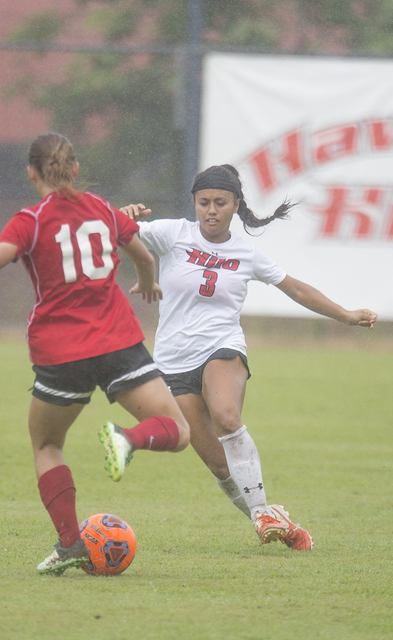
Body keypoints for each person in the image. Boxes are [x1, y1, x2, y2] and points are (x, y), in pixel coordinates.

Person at [120, 164, 378, 551]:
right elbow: (108, 235)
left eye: (220, 203)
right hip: (172, 363)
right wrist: (120, 218)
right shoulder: (173, 233)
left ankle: (264, 514)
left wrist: (345, 315)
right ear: (194, 203)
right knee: (220, 466)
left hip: (222, 347)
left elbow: (296, 289)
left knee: (226, 415)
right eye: (203, 202)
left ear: (235, 205)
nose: (211, 210)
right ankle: (268, 516)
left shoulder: (246, 253)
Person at [0, 133, 190, 575]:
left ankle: (71, 542)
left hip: (60, 352)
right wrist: (147, 282)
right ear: (75, 169)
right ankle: (127, 438)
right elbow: (143, 257)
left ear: (31, 173)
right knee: (177, 430)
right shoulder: (102, 208)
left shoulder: (29, 221)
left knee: (48, 444)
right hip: (117, 342)